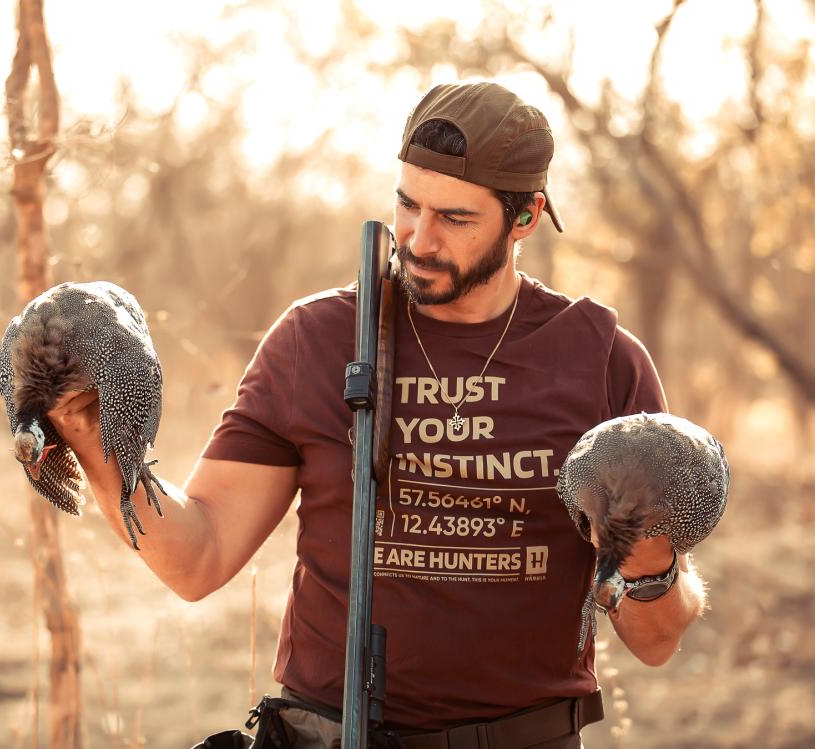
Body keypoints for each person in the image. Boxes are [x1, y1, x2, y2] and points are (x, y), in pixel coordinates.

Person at [47, 82, 707, 749]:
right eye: (406, 204)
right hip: (330, 734)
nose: (418, 238)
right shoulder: (318, 339)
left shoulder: (599, 361)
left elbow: (653, 643)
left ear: (526, 217)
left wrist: (647, 558)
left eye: (454, 217)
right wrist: (94, 434)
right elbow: (199, 556)